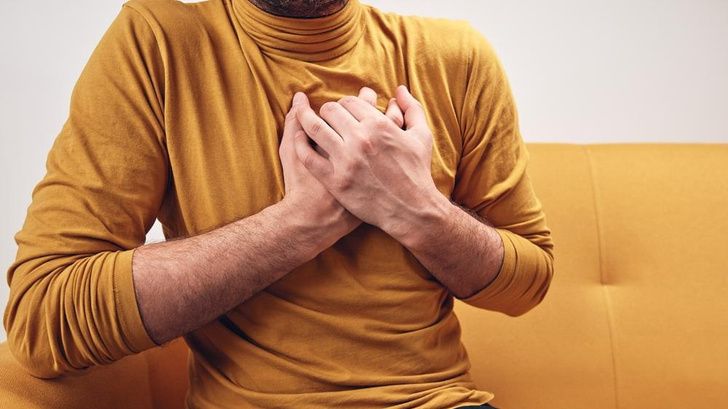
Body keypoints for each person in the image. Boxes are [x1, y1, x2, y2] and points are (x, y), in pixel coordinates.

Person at [2, 0, 554, 408]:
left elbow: (528, 284)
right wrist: (300, 223)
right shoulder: (158, 44)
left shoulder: (456, 57)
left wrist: (414, 207)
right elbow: (43, 317)